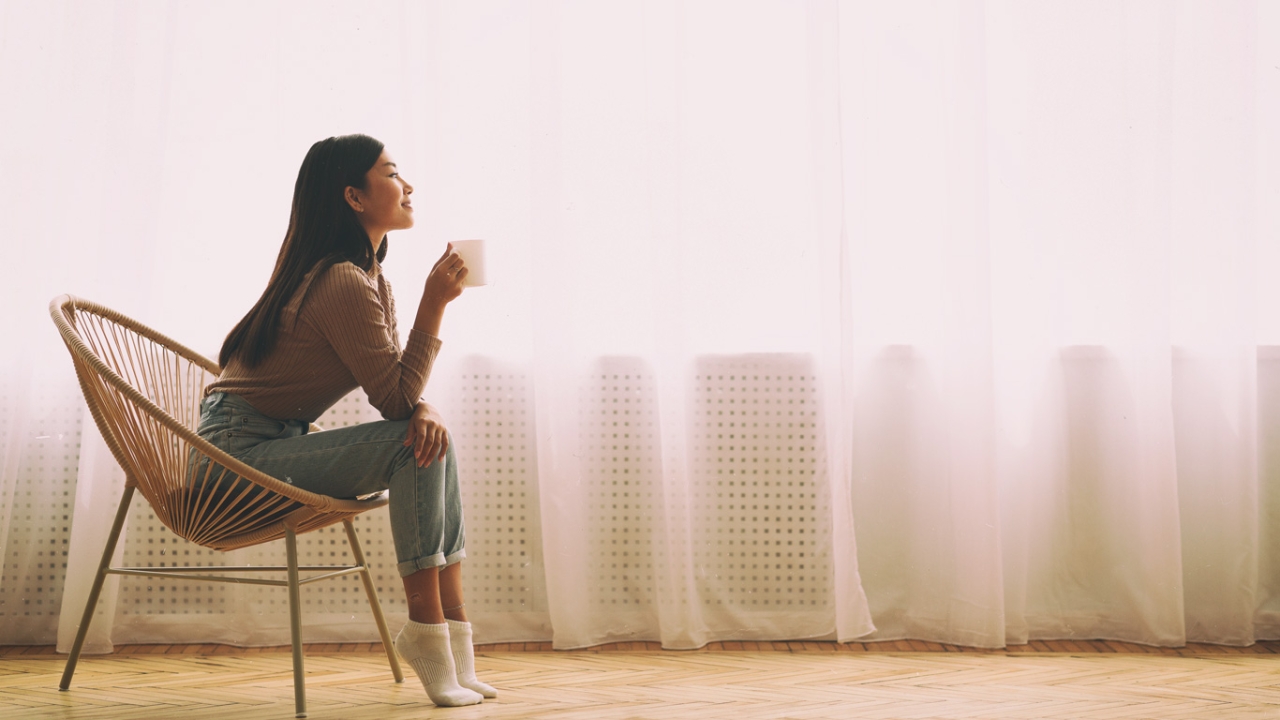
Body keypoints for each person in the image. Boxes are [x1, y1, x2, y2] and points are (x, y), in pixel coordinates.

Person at [196, 133, 493, 707]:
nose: (408, 186)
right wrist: (435, 304)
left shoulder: (365, 278)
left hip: (266, 445)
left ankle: (453, 646)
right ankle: (428, 634)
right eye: (392, 173)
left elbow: (402, 396)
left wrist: (424, 407)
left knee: (430, 438)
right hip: (232, 462)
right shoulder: (341, 282)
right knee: (415, 442)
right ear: (354, 197)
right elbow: (394, 399)